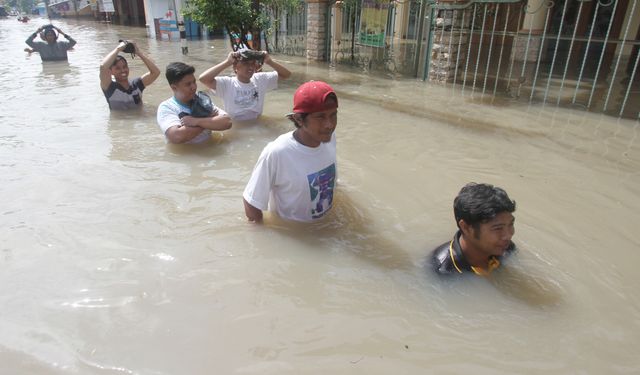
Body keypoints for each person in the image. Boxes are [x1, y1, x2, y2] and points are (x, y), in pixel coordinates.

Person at [243, 81, 338, 223]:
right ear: (299, 119)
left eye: (333, 115)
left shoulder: (329, 137)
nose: (329, 125)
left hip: (325, 228)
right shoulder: (277, 153)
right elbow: (251, 202)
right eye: (320, 117)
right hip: (297, 235)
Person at [431, 183, 517, 276]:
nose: (508, 235)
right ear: (466, 227)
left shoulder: (506, 248)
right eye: (498, 228)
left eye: (511, 224)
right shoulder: (444, 269)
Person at [198, 48, 291, 121]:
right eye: (246, 63)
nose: (250, 67)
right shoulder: (227, 83)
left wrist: (269, 61)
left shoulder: (260, 79)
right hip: (236, 126)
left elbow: (286, 74)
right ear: (235, 67)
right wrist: (227, 62)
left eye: (253, 63)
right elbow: (203, 78)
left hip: (257, 123)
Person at [157, 62, 232, 144]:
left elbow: (227, 122)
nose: (194, 87)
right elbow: (176, 136)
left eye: (194, 82)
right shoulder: (167, 107)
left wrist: (196, 121)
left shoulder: (202, 99)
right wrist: (209, 119)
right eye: (188, 84)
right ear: (174, 88)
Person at [99, 40, 160, 110]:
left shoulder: (136, 84)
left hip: (139, 119)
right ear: (111, 72)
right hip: (120, 120)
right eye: (118, 68)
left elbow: (156, 72)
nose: (122, 70)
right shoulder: (109, 87)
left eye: (125, 67)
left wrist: (139, 53)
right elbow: (103, 67)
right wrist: (118, 49)